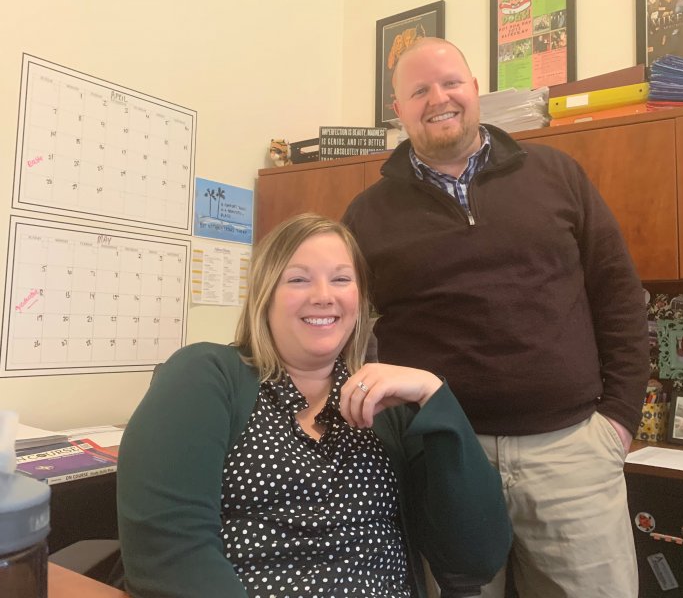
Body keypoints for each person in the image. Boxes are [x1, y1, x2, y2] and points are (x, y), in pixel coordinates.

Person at [342, 38, 649, 598]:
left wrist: (620, 419)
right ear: (398, 110)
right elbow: (348, 329)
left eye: (451, 82)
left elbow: (620, 295)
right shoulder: (368, 214)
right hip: (446, 459)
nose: (439, 98)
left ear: (476, 88)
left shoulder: (558, 175)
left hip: (572, 453)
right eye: (419, 90)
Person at [117, 213, 510, 598]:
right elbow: (168, 553)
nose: (324, 296)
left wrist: (432, 396)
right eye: (299, 279)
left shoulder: (386, 404)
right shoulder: (206, 375)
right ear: (264, 296)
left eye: (341, 279)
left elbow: (475, 558)